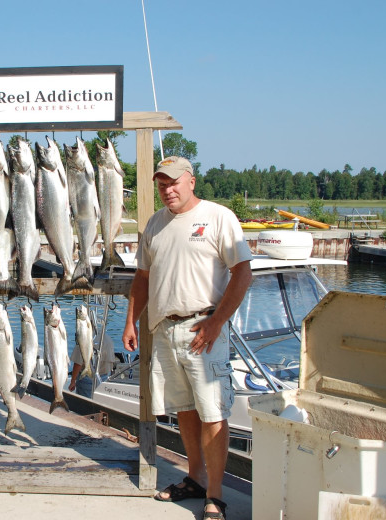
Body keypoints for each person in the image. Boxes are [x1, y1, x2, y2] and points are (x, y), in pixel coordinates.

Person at [121, 156, 252, 520]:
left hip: (203, 330)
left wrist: (216, 323)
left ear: (191, 181)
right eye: (162, 184)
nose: (168, 189)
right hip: (165, 330)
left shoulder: (218, 217)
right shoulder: (155, 224)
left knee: (213, 413)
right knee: (185, 410)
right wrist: (131, 321)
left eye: (175, 182)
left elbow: (243, 273)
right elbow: (142, 279)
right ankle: (194, 478)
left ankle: (215, 495)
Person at [68, 329, 116, 397]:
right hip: (104, 378)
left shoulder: (84, 339)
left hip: (87, 379)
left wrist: (73, 381)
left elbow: (78, 363)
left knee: (85, 404)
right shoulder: (107, 338)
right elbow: (111, 362)